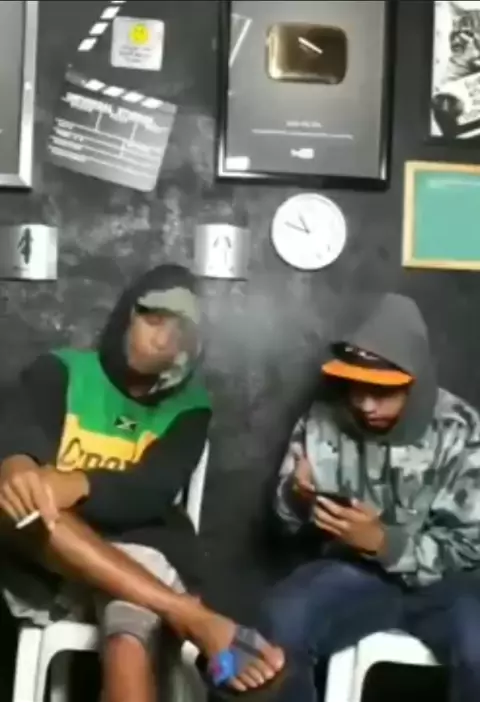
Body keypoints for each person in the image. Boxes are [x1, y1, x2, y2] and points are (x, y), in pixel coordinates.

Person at [0, 264, 284, 702]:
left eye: (180, 333)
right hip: (44, 559)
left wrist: (79, 483)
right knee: (23, 504)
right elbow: (20, 428)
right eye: (153, 321)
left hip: (135, 548)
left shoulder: (190, 408)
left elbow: (151, 491)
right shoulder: (62, 370)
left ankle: (174, 613)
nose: (163, 340)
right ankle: (189, 615)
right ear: (126, 317)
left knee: (130, 628)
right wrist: (17, 463)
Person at [258, 293, 480, 702]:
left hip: (448, 586)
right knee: (281, 620)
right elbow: (283, 519)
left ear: (415, 383)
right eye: (356, 388)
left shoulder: (460, 429)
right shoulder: (325, 418)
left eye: (381, 391)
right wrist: (297, 498)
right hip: (354, 576)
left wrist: (384, 543)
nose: (365, 405)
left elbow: (470, 547)